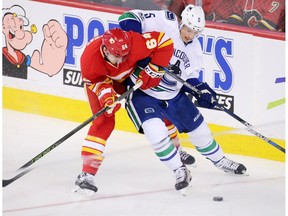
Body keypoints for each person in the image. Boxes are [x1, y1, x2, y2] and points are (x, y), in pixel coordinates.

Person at [118, 4, 247, 182]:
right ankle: (179, 170)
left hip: (173, 95)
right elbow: (127, 18)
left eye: (195, 32)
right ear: (181, 22)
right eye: (187, 28)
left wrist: (201, 90)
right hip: (143, 92)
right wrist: (138, 46)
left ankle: (220, 160)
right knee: (155, 133)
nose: (189, 34)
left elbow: (188, 80)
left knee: (201, 131)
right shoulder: (165, 21)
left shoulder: (195, 50)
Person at [72, 28, 191, 196]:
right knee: (103, 121)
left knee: (157, 110)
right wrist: (107, 97)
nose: (121, 60)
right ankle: (86, 175)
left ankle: (178, 156)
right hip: (101, 81)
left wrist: (153, 69)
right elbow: (96, 81)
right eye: (116, 56)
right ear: (105, 50)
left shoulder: (135, 42)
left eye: (124, 55)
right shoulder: (89, 59)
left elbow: (164, 42)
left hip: (130, 78)